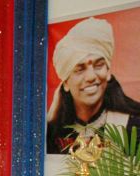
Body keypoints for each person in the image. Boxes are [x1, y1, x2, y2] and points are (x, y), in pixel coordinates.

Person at [46, 17, 140, 154]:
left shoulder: (132, 127)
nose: (91, 77)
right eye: (80, 69)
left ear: (108, 72)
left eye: (99, 65)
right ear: (65, 83)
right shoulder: (52, 134)